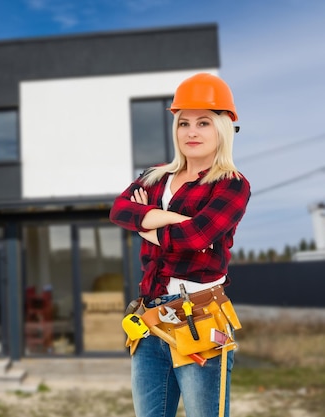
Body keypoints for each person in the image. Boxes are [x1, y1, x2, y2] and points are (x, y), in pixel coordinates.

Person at [109, 72, 250, 417]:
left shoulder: (231, 185)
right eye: (184, 122)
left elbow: (197, 237)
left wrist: (147, 220)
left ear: (222, 128)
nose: (191, 132)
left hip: (200, 318)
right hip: (150, 318)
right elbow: (119, 210)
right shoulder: (156, 176)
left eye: (203, 122)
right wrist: (173, 218)